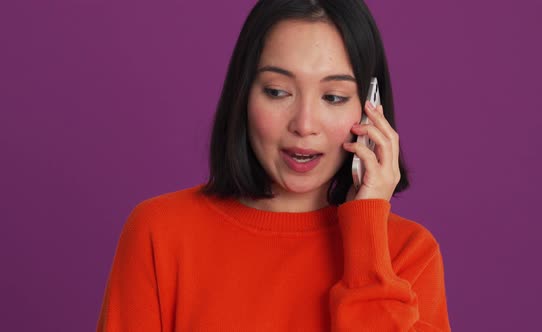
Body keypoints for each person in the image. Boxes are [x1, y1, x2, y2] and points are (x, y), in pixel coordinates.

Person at [97, 0, 451, 331]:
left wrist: (367, 240)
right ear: (244, 94)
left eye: (333, 97)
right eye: (278, 91)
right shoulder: (159, 232)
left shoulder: (406, 253)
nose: (304, 123)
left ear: (370, 109)